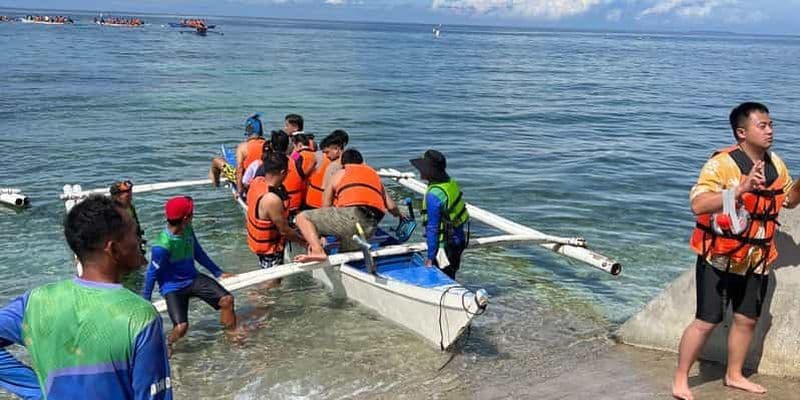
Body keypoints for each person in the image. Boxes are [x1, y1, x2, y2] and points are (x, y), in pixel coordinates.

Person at [672, 102, 800, 400]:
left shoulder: (775, 164)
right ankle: (680, 379)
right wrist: (740, 190)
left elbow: (789, 201)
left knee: (746, 319)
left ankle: (734, 375)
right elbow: (698, 205)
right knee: (707, 321)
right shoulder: (722, 164)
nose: (770, 131)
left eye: (771, 125)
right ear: (742, 132)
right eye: (762, 126)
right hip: (719, 258)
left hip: (756, 260)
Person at [0, 195, 172, 399]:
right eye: (135, 233)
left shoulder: (36, 302)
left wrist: (40, 391)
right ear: (113, 249)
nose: (140, 240)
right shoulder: (139, 316)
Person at [142, 196, 237, 354]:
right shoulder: (162, 246)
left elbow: (198, 252)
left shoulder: (187, 229)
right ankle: (168, 343)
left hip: (193, 279)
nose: (194, 215)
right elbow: (152, 274)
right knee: (181, 328)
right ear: (186, 218)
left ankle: (231, 335)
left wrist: (218, 273)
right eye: (192, 213)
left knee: (227, 300)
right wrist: (145, 302)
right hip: (173, 287)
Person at [294, 149, 402, 262]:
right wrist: (400, 215)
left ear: (343, 164)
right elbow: (392, 207)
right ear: (362, 162)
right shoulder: (374, 176)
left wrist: (322, 233)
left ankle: (318, 251)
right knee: (347, 257)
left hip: (351, 217)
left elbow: (326, 205)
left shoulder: (340, 173)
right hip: (370, 224)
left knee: (302, 217)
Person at [247, 152, 306, 287]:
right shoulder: (272, 200)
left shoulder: (257, 182)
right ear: (283, 172)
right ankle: (257, 298)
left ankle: (259, 294)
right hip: (270, 249)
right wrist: (305, 243)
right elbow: (284, 231)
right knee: (272, 283)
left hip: (260, 243)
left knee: (268, 277)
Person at [410, 150, 469, 280]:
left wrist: (430, 257)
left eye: (423, 168)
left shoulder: (434, 195)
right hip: (459, 240)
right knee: (451, 274)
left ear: (430, 171)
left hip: (445, 247)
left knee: (440, 277)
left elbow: (433, 228)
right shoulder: (450, 183)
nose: (420, 171)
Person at [209, 114, 266, 196]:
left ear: (248, 130)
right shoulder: (268, 145)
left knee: (216, 161)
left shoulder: (242, 147)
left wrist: (239, 191)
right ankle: (221, 176)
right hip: (263, 178)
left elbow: (240, 170)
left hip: (246, 181)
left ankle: (216, 185)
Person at [110, 180, 147, 292]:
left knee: (138, 281)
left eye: (130, 191)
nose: (130, 194)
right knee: (125, 284)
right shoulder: (113, 213)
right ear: (116, 196)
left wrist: (139, 250)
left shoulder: (130, 207)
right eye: (126, 192)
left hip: (135, 250)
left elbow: (136, 228)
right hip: (123, 255)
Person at [306, 130, 349, 209]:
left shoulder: (331, 165)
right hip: (345, 204)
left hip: (317, 202)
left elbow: (304, 174)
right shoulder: (353, 160)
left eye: (327, 152)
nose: (326, 155)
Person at [283, 132, 317, 215]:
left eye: (294, 146)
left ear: (299, 145)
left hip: (300, 193)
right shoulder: (316, 155)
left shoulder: (297, 156)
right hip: (312, 193)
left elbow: (290, 163)